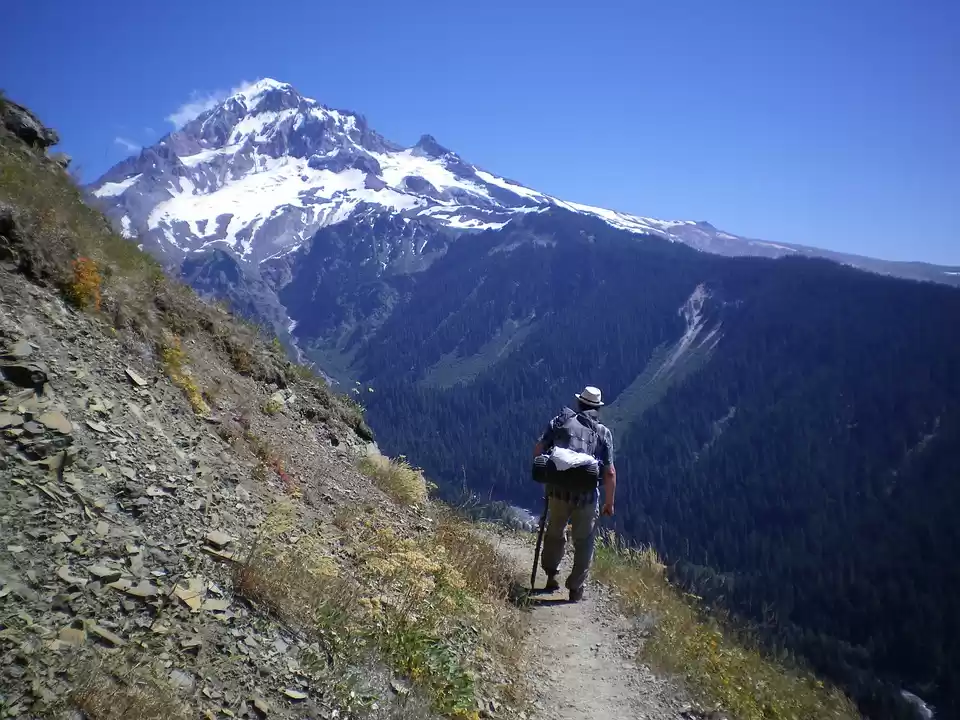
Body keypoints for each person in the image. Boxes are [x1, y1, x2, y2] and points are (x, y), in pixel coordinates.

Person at [532, 385, 616, 602]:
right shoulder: (603, 433)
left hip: (558, 492)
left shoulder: (559, 422)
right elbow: (610, 472)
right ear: (597, 408)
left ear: (579, 403)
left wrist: (547, 474)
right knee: (584, 540)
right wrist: (609, 502)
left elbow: (538, 450)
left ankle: (551, 574)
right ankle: (575, 588)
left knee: (555, 532)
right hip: (587, 496)